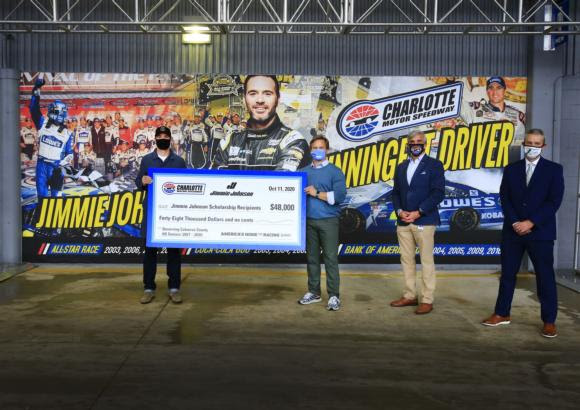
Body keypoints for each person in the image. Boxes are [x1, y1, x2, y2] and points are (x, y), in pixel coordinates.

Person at [482, 129, 564, 338]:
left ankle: (549, 321)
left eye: (537, 144)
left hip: (541, 233)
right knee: (507, 275)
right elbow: (505, 198)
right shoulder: (511, 169)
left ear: (543, 146)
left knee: (545, 277)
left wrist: (531, 222)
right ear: (523, 144)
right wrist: (515, 222)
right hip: (513, 232)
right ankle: (502, 313)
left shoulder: (554, 170)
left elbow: (554, 201)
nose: (532, 147)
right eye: (529, 143)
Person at [390, 130, 445, 315]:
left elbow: (438, 193)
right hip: (403, 221)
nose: (416, 144)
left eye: (419, 141)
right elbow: (396, 193)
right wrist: (399, 211)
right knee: (406, 259)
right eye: (412, 142)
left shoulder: (434, 165)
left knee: (426, 261)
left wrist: (418, 212)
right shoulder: (401, 167)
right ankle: (409, 295)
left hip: (425, 220)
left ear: (425, 144)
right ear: (408, 145)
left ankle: (427, 299)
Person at [211, 75, 309, 171]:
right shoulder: (230, 141)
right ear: (244, 100)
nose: (260, 100)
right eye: (253, 93)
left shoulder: (292, 140)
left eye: (267, 94)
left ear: (278, 99)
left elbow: (283, 180)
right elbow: (216, 178)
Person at [135, 126, 187, 304]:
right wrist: (142, 181)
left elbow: (186, 185)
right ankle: (148, 288)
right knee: (150, 253)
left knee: (174, 253)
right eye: (160, 136)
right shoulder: (147, 160)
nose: (163, 138)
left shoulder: (179, 162)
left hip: (173, 213)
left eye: (166, 136)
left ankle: (174, 288)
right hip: (152, 213)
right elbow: (138, 181)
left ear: (170, 139)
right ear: (155, 138)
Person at [298, 136, 347, 311]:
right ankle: (314, 292)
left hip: (329, 221)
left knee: (330, 258)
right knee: (312, 258)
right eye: (315, 147)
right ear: (310, 151)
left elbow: (339, 196)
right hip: (309, 221)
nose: (318, 150)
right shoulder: (303, 172)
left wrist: (316, 193)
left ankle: (334, 295)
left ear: (327, 150)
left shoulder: (335, 172)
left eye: (321, 147)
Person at [28, 78, 74, 198]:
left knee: (56, 199)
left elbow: (70, 153)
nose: (62, 116)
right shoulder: (42, 123)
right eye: (61, 113)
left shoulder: (67, 132)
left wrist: (61, 164)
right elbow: (33, 109)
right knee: (42, 198)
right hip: (42, 165)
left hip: (56, 167)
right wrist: (36, 90)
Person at [461, 76, 526, 144]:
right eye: (491, 88)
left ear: (504, 91)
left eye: (499, 88)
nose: (495, 92)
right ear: (487, 91)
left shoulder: (518, 115)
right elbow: (459, 103)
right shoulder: (476, 109)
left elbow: (522, 141)